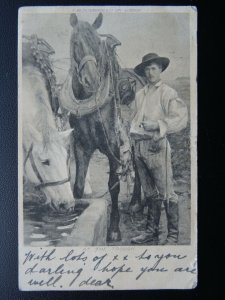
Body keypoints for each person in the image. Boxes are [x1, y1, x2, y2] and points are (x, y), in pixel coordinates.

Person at [130, 53, 188, 245]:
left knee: (167, 192)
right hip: (139, 147)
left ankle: (172, 236)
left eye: (154, 68)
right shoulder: (139, 95)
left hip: (157, 146)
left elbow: (180, 119)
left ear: (161, 69)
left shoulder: (168, 93)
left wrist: (157, 125)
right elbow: (134, 120)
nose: (150, 72)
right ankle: (151, 232)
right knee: (149, 193)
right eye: (147, 69)